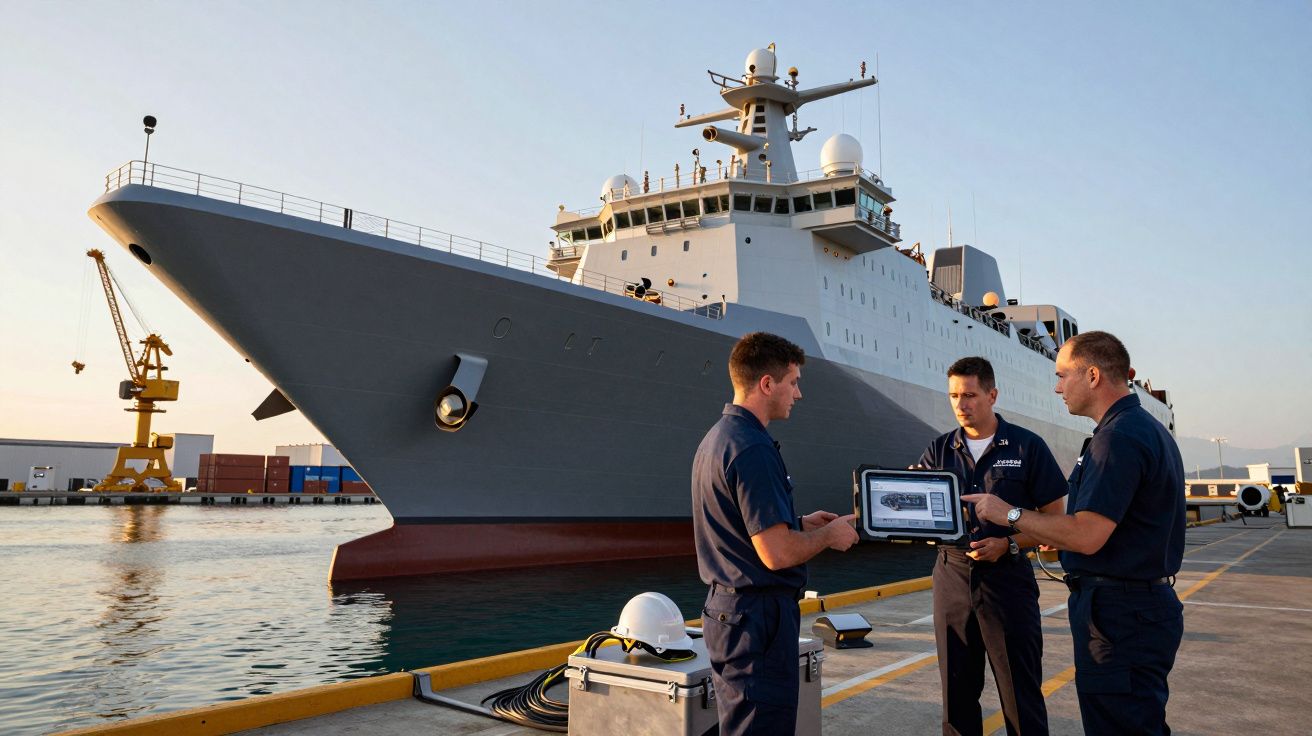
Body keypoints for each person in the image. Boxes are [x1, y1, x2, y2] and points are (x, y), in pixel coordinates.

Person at [965, 331, 1185, 735]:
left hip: (1119, 614)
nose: (1057, 387)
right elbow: (1098, 527)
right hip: (1136, 607)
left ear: (1093, 376)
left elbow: (1086, 535)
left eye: (1062, 375)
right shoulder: (1143, 429)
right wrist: (1050, 531)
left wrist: (1008, 513)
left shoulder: (1116, 439)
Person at [691, 332, 859, 736]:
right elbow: (777, 554)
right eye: (793, 382)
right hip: (757, 622)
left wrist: (798, 523)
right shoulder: (753, 449)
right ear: (767, 384)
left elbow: (740, 528)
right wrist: (829, 536)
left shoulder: (718, 438)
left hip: (730, 613)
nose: (798, 394)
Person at [916, 357, 1067, 736]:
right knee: (957, 696)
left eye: (969, 395)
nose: (961, 404)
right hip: (951, 577)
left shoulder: (1027, 447)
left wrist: (1008, 544)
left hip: (1008, 579)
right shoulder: (938, 450)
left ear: (992, 395)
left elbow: (1055, 522)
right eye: (954, 396)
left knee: (1020, 694)